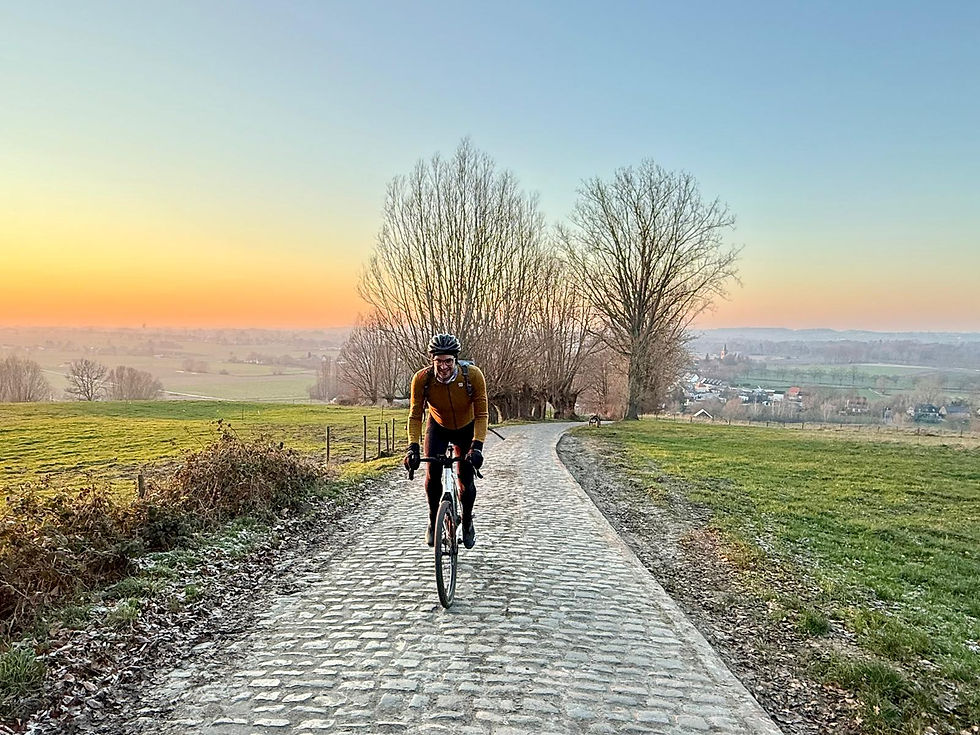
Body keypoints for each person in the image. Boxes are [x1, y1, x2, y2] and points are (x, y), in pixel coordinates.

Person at [404, 333, 488, 549]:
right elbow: (415, 415)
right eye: (438, 361)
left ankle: (467, 521)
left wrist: (477, 446)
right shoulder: (422, 379)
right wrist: (412, 447)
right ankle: (433, 521)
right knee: (432, 474)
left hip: (466, 428)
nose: (443, 367)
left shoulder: (473, 376)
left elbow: (481, 415)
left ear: (456, 360)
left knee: (465, 482)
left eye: (448, 361)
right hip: (438, 427)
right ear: (432, 360)